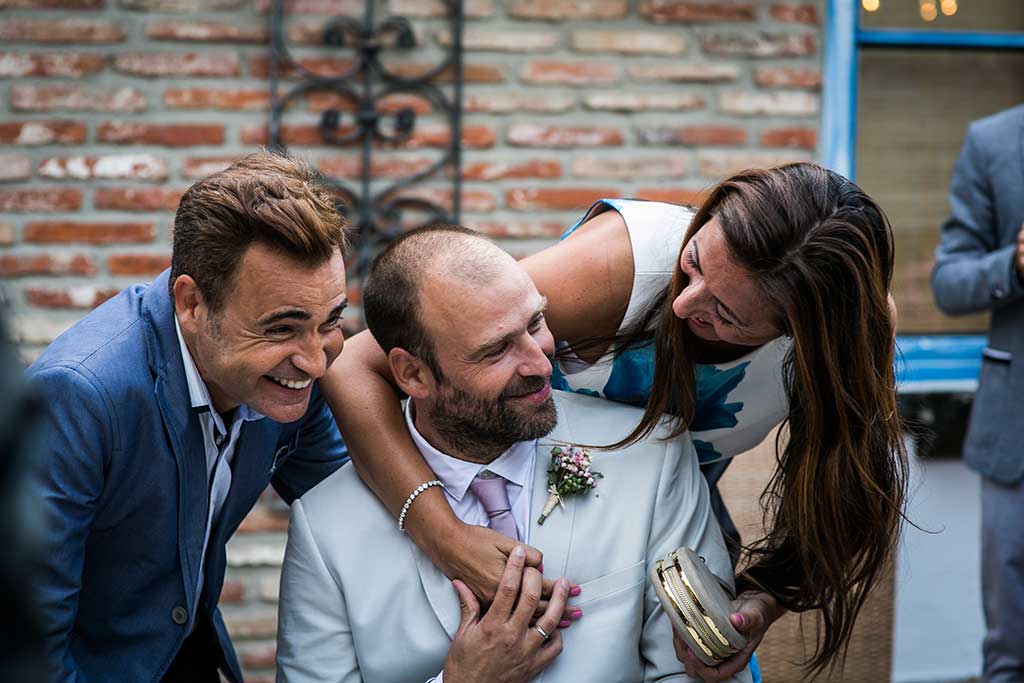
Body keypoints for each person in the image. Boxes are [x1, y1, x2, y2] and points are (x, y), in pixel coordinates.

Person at [322, 163, 908, 679]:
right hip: (495, 489)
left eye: (724, 313)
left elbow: (844, 494)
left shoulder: (846, 337)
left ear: (804, 334)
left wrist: (759, 604)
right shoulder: (627, 264)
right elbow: (352, 366)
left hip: (673, 521)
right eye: (695, 262)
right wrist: (444, 536)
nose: (682, 304)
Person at [276, 225, 750, 683]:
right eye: (497, 349)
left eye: (536, 323)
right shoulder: (324, 529)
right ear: (413, 375)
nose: (542, 363)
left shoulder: (652, 453)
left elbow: (697, 675)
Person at [26, 152, 351, 683]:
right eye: (282, 328)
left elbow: (351, 501)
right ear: (192, 304)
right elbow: (30, 649)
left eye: (329, 321)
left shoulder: (290, 377)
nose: (316, 362)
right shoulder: (80, 397)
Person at [931, 104, 1024, 683]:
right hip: (1017, 433)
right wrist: (1013, 263)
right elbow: (948, 281)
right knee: (1011, 648)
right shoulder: (993, 141)